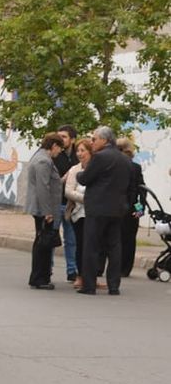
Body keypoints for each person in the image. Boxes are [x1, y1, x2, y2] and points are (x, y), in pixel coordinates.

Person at [75, 126, 132, 296]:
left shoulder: (100, 157)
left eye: (94, 139)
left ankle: (89, 285)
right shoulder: (124, 159)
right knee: (114, 247)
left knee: (92, 246)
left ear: (104, 140)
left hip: (98, 208)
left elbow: (85, 179)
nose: (92, 142)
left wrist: (79, 173)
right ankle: (114, 286)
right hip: (117, 209)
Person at [21, 133, 66, 290]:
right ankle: (40, 278)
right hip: (43, 209)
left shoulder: (40, 157)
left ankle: (40, 276)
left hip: (42, 208)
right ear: (54, 146)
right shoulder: (43, 161)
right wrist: (48, 212)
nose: (59, 152)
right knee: (43, 244)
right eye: (60, 148)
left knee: (42, 242)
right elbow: (43, 187)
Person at [63, 138, 94, 290]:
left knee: (93, 246)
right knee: (80, 244)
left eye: (83, 151)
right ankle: (80, 275)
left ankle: (91, 276)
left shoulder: (96, 168)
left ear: (90, 152)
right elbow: (68, 191)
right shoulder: (74, 169)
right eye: (78, 151)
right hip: (78, 213)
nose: (80, 154)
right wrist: (86, 199)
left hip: (94, 213)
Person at [117, 137, 146, 278]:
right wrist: (140, 209)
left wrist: (140, 209)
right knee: (128, 239)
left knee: (119, 238)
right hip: (131, 208)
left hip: (119, 207)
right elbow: (141, 190)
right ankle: (124, 268)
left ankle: (119, 267)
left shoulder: (130, 167)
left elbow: (140, 189)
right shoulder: (135, 167)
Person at [55, 124, 80, 281]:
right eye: (59, 136)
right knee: (52, 237)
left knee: (71, 239)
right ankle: (48, 269)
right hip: (57, 202)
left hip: (72, 203)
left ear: (72, 139)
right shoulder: (56, 155)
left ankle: (72, 270)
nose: (61, 139)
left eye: (64, 136)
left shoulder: (79, 155)